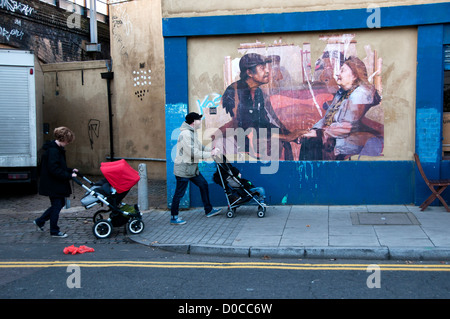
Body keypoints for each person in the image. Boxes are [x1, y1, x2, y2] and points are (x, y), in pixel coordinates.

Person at [299, 55, 382, 160]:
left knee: (313, 144)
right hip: (338, 136)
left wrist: (318, 133)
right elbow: (326, 119)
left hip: (357, 140)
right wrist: (311, 130)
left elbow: (346, 126)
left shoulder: (361, 94)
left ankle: (316, 175)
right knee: (308, 140)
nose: (337, 74)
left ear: (355, 76)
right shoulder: (342, 93)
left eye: (342, 71)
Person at [217, 53, 291, 159]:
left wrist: (288, 134)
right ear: (249, 73)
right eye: (262, 68)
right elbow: (244, 126)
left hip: (248, 142)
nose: (267, 71)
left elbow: (263, 122)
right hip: (234, 147)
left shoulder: (258, 92)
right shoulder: (236, 91)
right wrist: (284, 137)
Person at [171, 112, 222, 225]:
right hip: (184, 170)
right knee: (179, 194)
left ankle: (208, 210)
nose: (201, 121)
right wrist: (210, 154)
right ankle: (174, 217)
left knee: (203, 184)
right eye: (199, 119)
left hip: (192, 170)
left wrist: (211, 150)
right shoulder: (186, 134)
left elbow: (199, 147)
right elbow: (193, 152)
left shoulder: (192, 133)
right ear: (194, 122)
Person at [34, 127, 78, 237]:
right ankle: (54, 231)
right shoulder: (54, 151)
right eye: (67, 141)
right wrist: (68, 175)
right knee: (57, 205)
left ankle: (40, 221)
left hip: (53, 183)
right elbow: (54, 169)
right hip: (52, 184)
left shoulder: (56, 149)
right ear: (63, 139)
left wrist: (70, 170)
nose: (67, 143)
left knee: (59, 204)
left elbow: (59, 166)